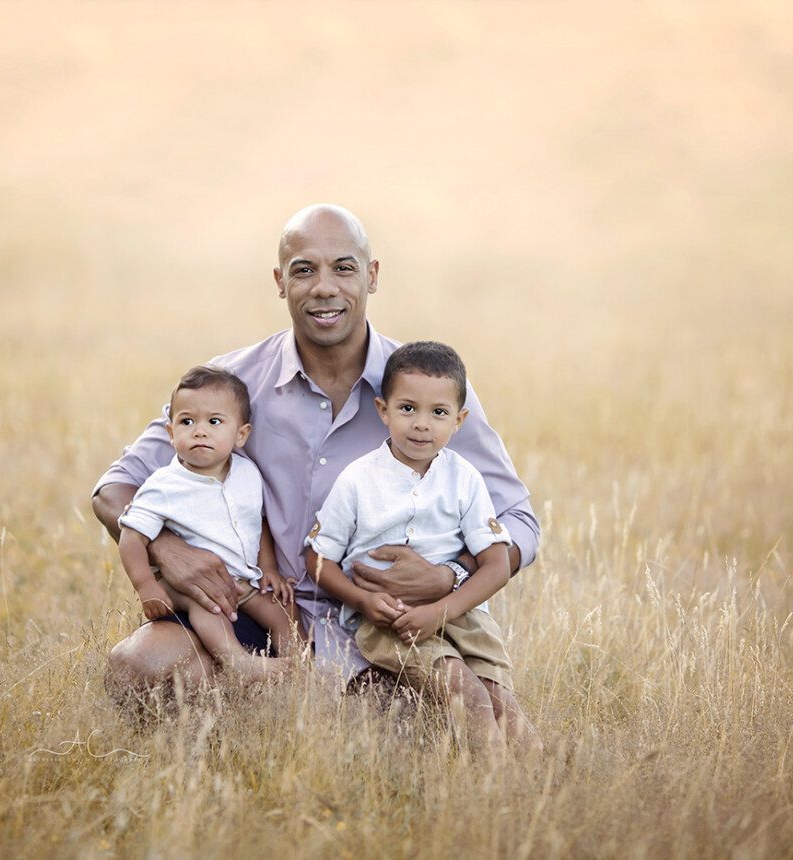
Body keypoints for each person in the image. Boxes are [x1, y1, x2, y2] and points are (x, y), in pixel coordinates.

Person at [93, 204, 539, 709]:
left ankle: (326, 713)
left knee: (463, 724)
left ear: (372, 276)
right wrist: (170, 550)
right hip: (252, 616)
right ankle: (264, 715)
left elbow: (519, 519)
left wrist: (450, 576)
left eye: (343, 268)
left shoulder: (426, 393)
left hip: (385, 628)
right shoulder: (229, 384)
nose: (324, 287)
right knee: (137, 668)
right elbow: (114, 489)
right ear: (281, 281)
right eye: (304, 270)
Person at [306, 341, 537, 754]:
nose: (421, 425)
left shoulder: (464, 478)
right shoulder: (358, 479)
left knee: (508, 713)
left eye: (439, 413)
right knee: (471, 699)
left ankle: (534, 795)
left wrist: (439, 611)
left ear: (460, 420)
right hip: (389, 622)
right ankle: (492, 799)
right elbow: (318, 558)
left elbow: (497, 563)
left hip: (462, 615)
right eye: (407, 409)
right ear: (383, 411)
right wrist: (361, 601)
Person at [116, 366, 298, 681]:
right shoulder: (165, 485)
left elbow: (259, 523)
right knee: (209, 610)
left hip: (243, 580)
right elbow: (131, 537)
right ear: (171, 434)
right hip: (191, 586)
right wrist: (146, 585)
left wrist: (268, 569)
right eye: (187, 422)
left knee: (281, 612)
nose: (199, 431)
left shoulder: (247, 473)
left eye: (214, 422)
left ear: (241, 434)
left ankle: (298, 668)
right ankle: (237, 661)